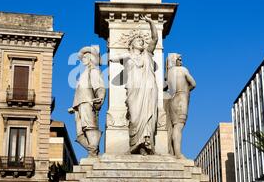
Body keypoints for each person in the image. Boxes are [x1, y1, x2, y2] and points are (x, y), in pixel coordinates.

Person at [110, 15, 158, 155]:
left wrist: (150, 22)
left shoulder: (148, 54)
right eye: (138, 40)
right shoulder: (127, 56)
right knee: (135, 117)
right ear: (131, 44)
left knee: (148, 116)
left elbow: (155, 38)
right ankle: (135, 144)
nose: (141, 41)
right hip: (133, 89)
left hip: (148, 88)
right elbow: (112, 58)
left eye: (142, 40)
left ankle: (146, 144)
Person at [68, 46, 106, 156]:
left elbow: (99, 86)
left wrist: (100, 98)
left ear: (90, 58)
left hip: (88, 102)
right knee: (80, 134)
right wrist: (74, 106)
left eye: (84, 57)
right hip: (79, 105)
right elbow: (80, 91)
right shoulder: (84, 72)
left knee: (89, 127)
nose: (82, 59)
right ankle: (93, 150)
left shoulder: (93, 71)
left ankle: (93, 152)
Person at [164, 53, 196, 158]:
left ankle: (173, 151)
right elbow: (193, 83)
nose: (181, 61)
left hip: (172, 100)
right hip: (182, 98)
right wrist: (186, 90)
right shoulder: (183, 69)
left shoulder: (168, 73)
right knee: (179, 126)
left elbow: (164, 87)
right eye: (179, 59)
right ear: (174, 60)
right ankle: (178, 153)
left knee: (174, 126)